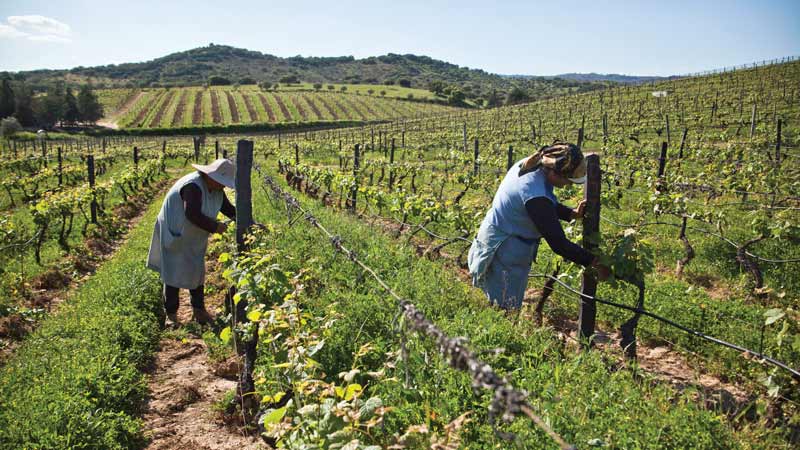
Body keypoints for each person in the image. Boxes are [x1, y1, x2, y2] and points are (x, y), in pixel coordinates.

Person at [468, 142, 610, 310]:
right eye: (567, 179)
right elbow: (559, 244)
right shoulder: (534, 192)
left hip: (498, 238)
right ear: (553, 172)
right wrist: (593, 261)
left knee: (493, 302)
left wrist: (570, 214)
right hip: (505, 251)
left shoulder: (532, 165)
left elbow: (544, 205)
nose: (569, 185)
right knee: (502, 308)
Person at [147, 159, 236, 325]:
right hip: (175, 231)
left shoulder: (216, 189)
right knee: (173, 271)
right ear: (211, 176)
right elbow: (192, 214)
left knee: (196, 268)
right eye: (222, 182)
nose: (223, 186)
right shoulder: (193, 186)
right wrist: (216, 227)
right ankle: (171, 315)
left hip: (193, 235)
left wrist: (247, 221)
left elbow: (229, 210)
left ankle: (198, 310)